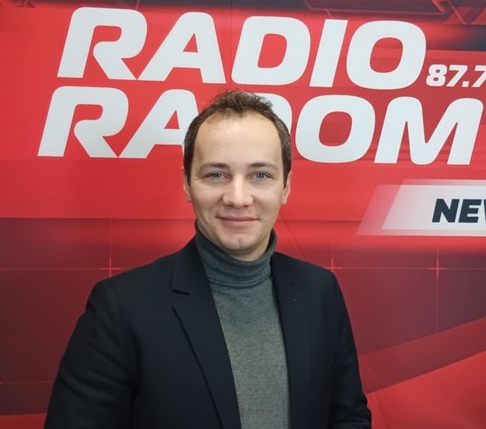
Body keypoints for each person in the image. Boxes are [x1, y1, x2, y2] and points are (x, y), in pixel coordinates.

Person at [44, 90, 372, 429]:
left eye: (260, 175)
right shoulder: (120, 308)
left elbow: (348, 417)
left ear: (285, 186)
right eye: (216, 174)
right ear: (187, 183)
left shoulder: (320, 290)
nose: (238, 198)